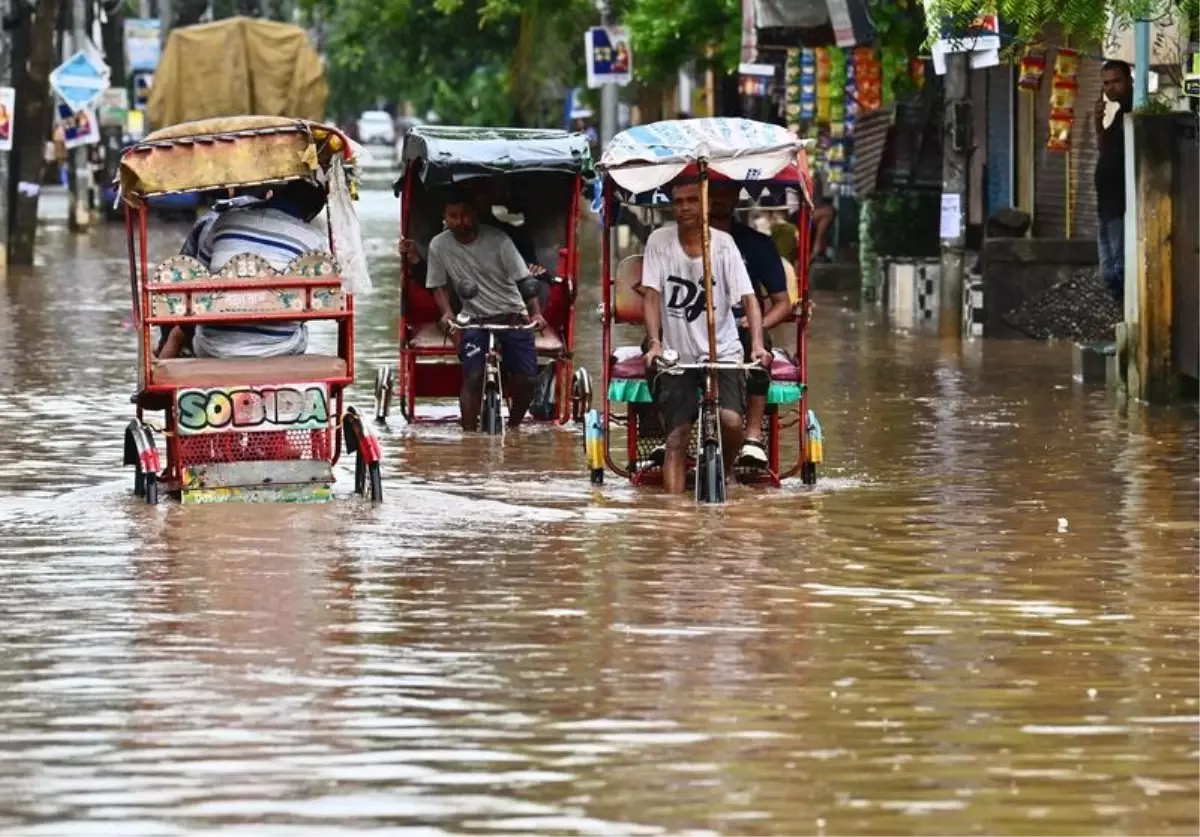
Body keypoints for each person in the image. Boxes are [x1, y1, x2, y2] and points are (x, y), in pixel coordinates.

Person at [641, 180, 771, 495]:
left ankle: (726, 470)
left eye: (691, 201)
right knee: (676, 437)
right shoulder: (659, 241)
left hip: (722, 351)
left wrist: (756, 344)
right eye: (678, 202)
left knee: (729, 421)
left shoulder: (723, 244)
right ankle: (674, 517)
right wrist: (655, 341)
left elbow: (749, 298)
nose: (684, 207)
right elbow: (651, 295)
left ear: (704, 206)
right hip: (678, 355)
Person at [157, 180, 327, 360]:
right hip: (280, 349)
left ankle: (160, 370)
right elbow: (323, 302)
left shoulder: (224, 221)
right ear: (310, 213)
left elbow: (199, 277)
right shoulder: (314, 240)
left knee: (183, 325)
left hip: (212, 347)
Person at [425, 186, 547, 431]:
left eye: (465, 215)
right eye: (453, 216)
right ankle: (468, 438)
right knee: (472, 377)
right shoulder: (438, 246)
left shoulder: (499, 240)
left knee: (527, 380)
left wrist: (535, 313)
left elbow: (524, 280)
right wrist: (447, 313)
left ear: (475, 214)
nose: (460, 222)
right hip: (473, 319)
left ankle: (514, 427)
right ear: (445, 217)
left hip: (511, 314)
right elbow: (437, 285)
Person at [707, 181, 792, 468]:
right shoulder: (675, 243)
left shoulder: (757, 244)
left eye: (723, 193)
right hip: (690, 324)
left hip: (740, 326)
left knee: (759, 345)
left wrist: (757, 324)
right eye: (711, 192)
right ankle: (663, 433)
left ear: (735, 198)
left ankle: (752, 437)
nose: (717, 199)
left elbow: (783, 302)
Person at [1094, 59, 1132, 302]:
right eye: (1106, 83)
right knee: (1108, 273)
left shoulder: (1133, 110)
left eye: (1116, 81)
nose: (1110, 88)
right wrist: (1098, 121)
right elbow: (1104, 148)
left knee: (1118, 270)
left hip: (1119, 204)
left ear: (1128, 80)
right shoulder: (1118, 114)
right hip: (1106, 205)